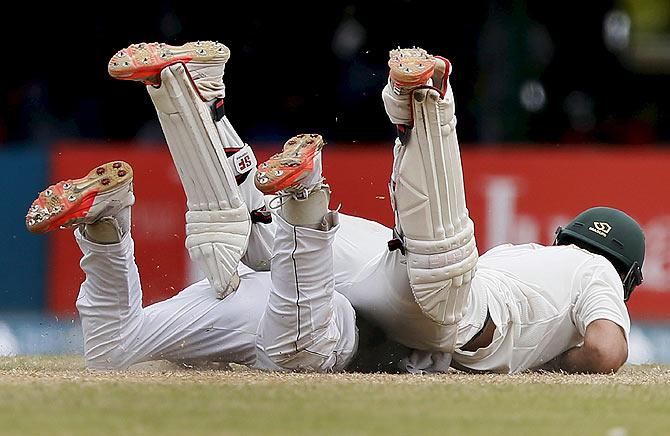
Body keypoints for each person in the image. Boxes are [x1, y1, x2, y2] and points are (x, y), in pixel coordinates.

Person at [26, 41, 645, 374]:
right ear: (625, 272)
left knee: (254, 231)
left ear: (567, 236)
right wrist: (548, 364)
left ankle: (204, 99)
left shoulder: (531, 253)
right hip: (433, 314)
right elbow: (608, 350)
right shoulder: (597, 275)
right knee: (436, 274)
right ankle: (428, 103)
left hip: (373, 266)